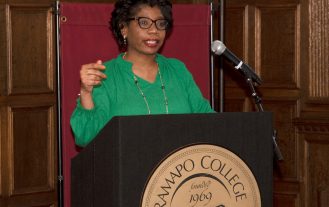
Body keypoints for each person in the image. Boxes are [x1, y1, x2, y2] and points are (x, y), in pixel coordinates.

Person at [70, 0, 214, 147]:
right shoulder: (105, 76)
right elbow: (85, 137)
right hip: (128, 167)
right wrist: (86, 93)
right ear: (123, 28)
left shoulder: (177, 69)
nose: (154, 31)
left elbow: (210, 123)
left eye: (160, 23)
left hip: (179, 167)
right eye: (144, 23)